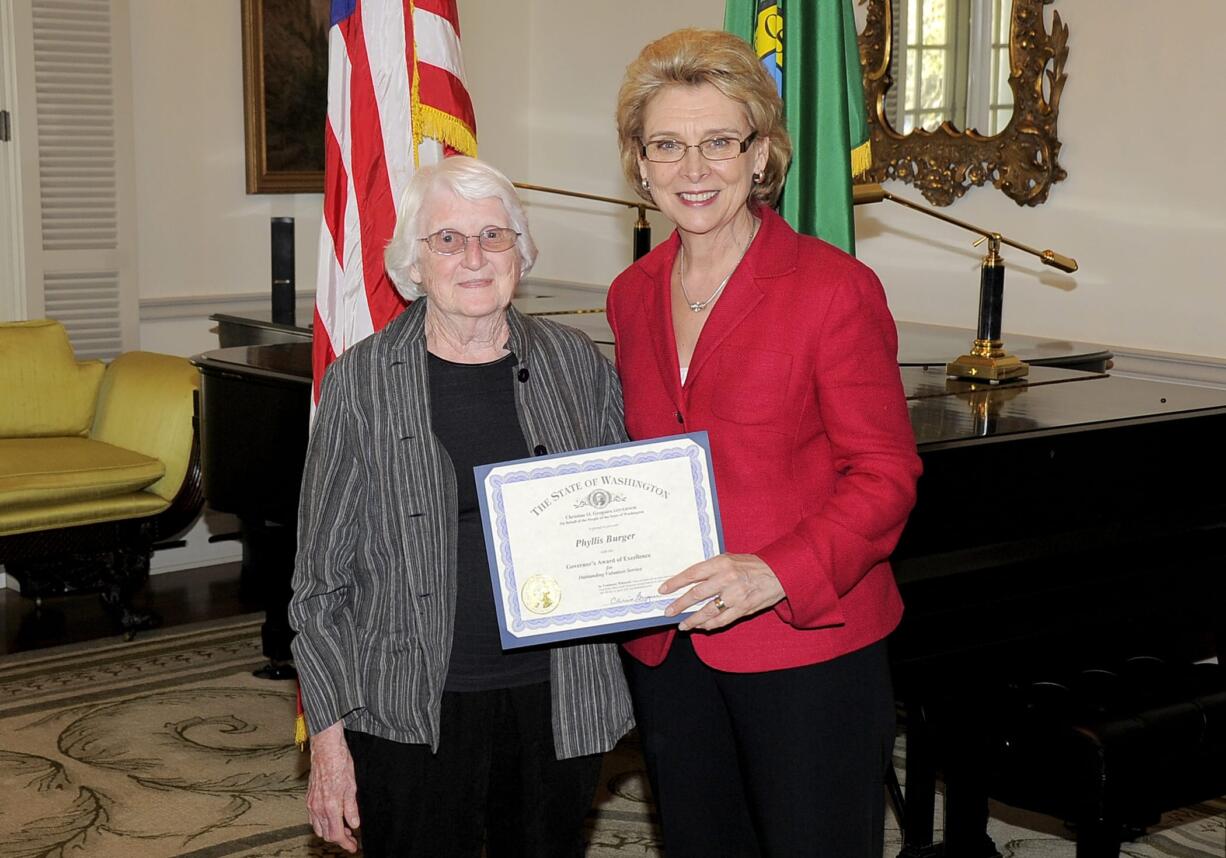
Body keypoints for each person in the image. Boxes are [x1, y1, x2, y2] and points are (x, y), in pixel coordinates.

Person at [607, 29, 923, 857]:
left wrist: (774, 571)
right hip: (669, 647)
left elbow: (885, 475)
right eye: (668, 145)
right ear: (639, 163)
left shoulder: (833, 289)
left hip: (807, 642)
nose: (694, 169)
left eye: (719, 142)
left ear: (761, 155)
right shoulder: (631, 295)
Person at [289, 156, 634, 857]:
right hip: (405, 707)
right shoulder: (362, 384)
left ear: (522, 253)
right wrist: (327, 744)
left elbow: (623, 522)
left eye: (493, 236)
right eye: (447, 239)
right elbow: (319, 586)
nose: (473, 257)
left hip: (558, 698)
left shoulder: (577, 365)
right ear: (412, 264)